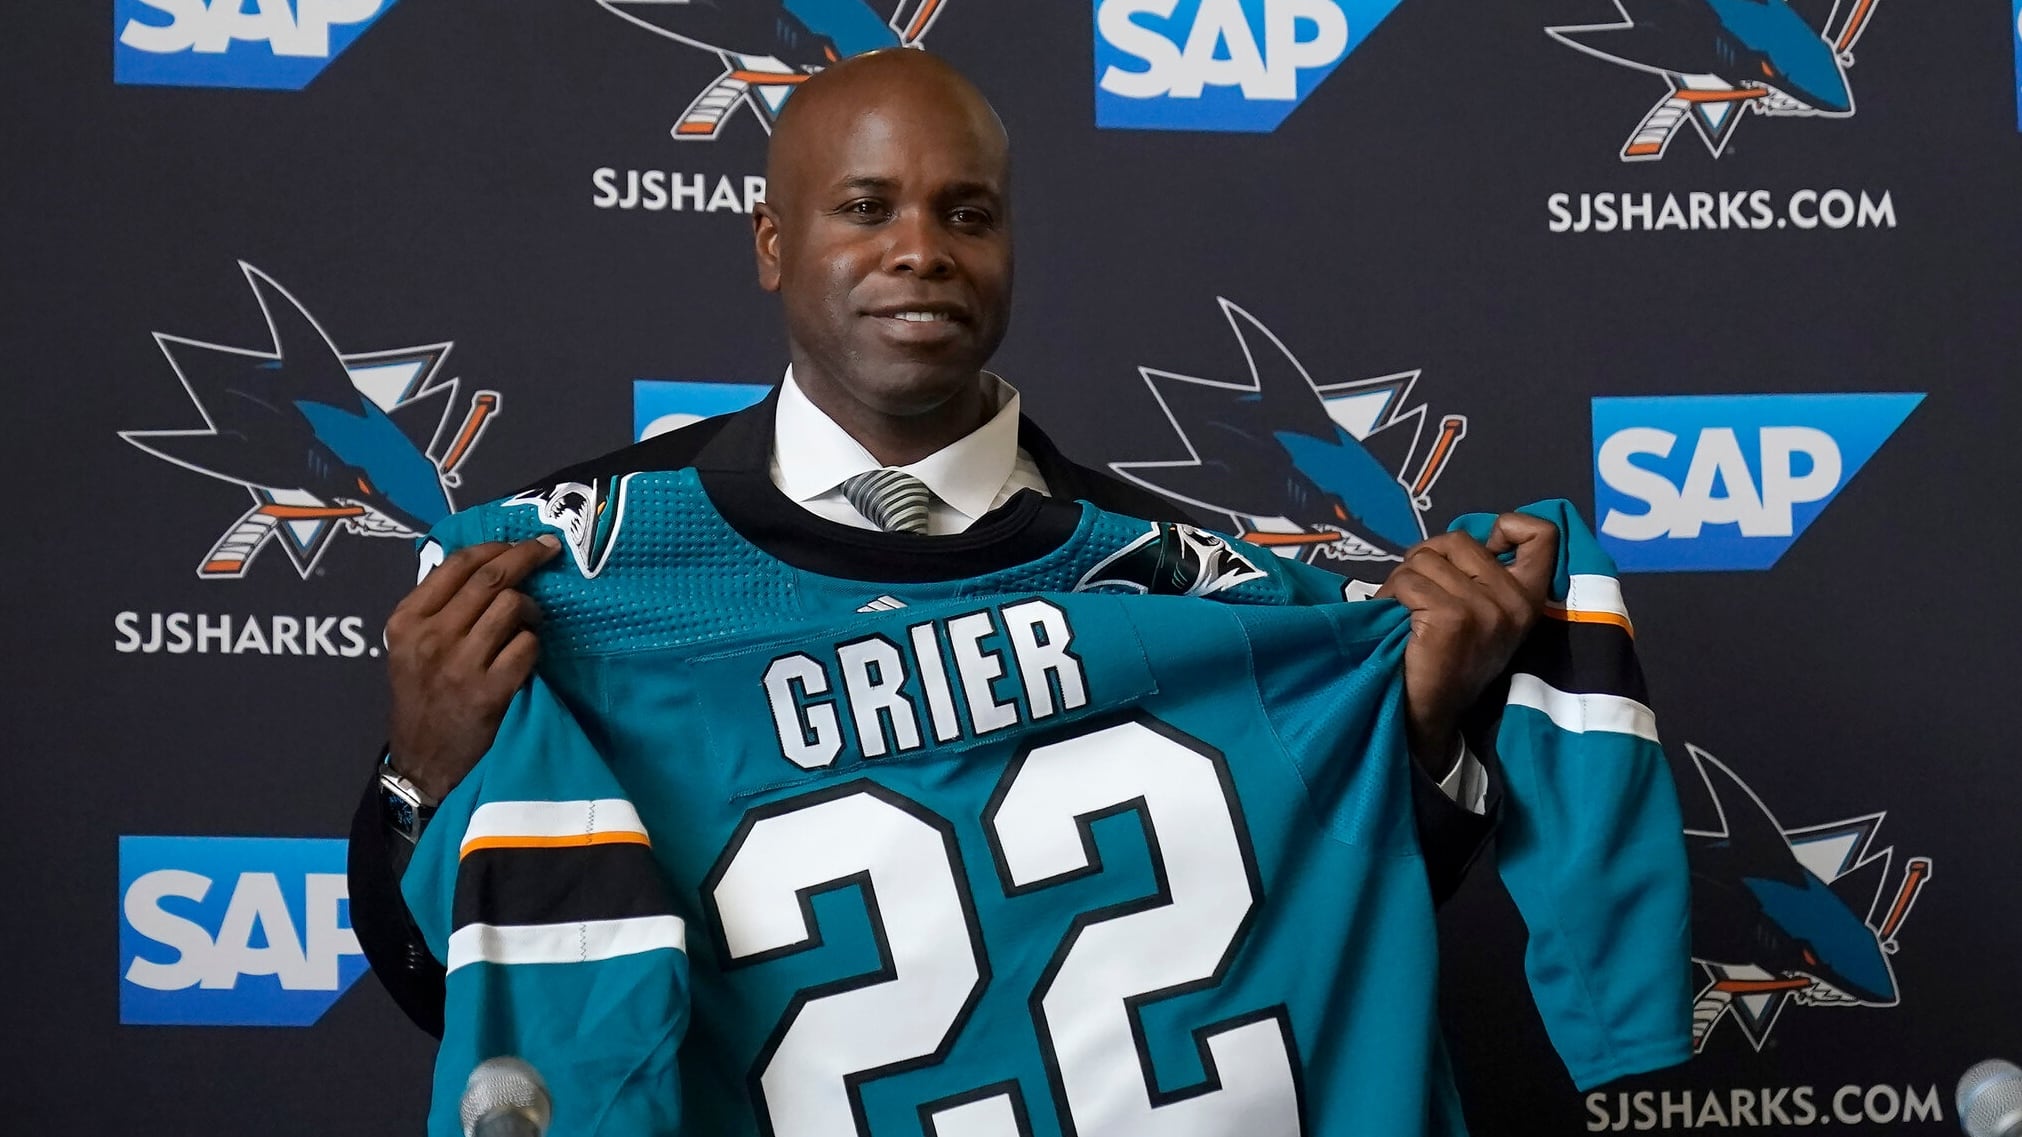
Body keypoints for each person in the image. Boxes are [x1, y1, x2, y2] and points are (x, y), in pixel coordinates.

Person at [349, 47, 1557, 1040]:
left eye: (965, 214)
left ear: (1011, 249)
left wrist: (1417, 731)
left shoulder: (1182, 584)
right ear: (771, 244)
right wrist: (424, 782)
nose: (920, 250)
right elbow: (466, 1000)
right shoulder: (581, 568)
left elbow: (1326, 929)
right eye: (864, 209)